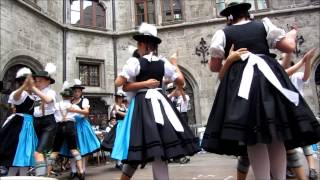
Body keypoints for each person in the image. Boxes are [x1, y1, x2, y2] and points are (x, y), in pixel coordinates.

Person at [201, 2, 320, 180]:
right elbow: (288, 47)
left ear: (230, 17)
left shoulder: (223, 33)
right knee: (277, 135)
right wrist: (293, 33)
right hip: (269, 79)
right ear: (248, 13)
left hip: (242, 83)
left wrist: (230, 58)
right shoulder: (264, 25)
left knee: (253, 136)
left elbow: (214, 67)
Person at [113, 23, 199, 180]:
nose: (138, 47)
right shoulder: (163, 63)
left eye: (139, 44)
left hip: (142, 107)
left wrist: (140, 83)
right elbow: (181, 82)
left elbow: (119, 83)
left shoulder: (135, 62)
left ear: (143, 44)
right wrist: (174, 64)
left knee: (138, 149)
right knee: (159, 149)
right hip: (161, 105)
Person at [235, 48, 317, 180]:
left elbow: (300, 74)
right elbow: (284, 69)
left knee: (298, 146)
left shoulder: (292, 77)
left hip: (291, 113)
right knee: (255, 150)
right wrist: (301, 60)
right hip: (276, 114)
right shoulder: (271, 75)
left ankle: (309, 171)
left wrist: (305, 61)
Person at [0, 67, 38, 176]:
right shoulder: (21, 94)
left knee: (24, 156)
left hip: (29, 125)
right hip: (19, 125)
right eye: (31, 81)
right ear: (23, 82)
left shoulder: (33, 95)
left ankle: (21, 176)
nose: (33, 83)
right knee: (16, 153)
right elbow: (15, 97)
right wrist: (24, 86)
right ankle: (12, 176)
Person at [48, 81, 84, 180]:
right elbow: (82, 115)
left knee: (55, 151)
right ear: (71, 97)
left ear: (62, 96)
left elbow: (49, 113)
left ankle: (47, 174)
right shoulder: (74, 106)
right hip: (70, 126)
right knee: (74, 149)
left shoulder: (56, 106)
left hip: (59, 127)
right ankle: (81, 171)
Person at [67, 79, 100, 179]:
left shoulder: (84, 101)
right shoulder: (69, 101)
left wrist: (74, 110)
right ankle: (73, 171)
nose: (76, 92)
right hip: (71, 126)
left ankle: (83, 170)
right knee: (72, 149)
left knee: (83, 150)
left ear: (81, 92)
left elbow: (86, 112)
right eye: (75, 91)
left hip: (82, 126)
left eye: (78, 91)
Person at [31, 63, 58, 176]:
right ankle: (46, 174)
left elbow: (47, 99)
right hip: (36, 122)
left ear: (48, 81)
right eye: (36, 81)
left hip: (48, 123)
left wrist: (33, 88)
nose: (37, 83)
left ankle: (40, 177)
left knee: (38, 152)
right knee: (44, 153)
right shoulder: (35, 94)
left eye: (40, 81)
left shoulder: (51, 92)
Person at [101, 90, 127, 170]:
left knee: (123, 143)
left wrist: (124, 111)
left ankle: (120, 162)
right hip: (119, 126)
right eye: (119, 97)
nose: (120, 99)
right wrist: (123, 112)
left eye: (121, 97)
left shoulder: (123, 106)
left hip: (124, 125)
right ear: (116, 98)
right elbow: (118, 114)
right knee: (118, 143)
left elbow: (126, 114)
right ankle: (118, 163)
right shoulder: (115, 106)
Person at [167, 83, 191, 164]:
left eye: (172, 90)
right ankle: (176, 155)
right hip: (175, 117)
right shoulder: (173, 98)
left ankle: (184, 154)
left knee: (182, 135)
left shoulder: (184, 96)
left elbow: (184, 98)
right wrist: (174, 92)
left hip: (182, 116)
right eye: (170, 91)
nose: (171, 92)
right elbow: (168, 98)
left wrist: (179, 89)